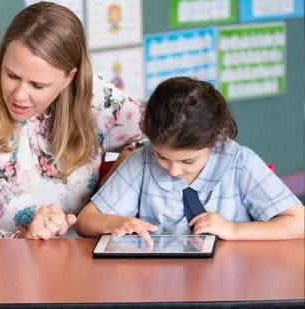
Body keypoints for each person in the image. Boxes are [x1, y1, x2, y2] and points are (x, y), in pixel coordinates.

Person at [0, 2, 142, 239]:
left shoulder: (97, 102)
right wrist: (22, 239)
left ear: (70, 77)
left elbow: (168, 133)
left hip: (86, 268)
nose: (19, 95)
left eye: (37, 85)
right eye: (12, 75)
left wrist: (127, 162)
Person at [76, 77, 304, 244]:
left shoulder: (239, 162)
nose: (174, 170)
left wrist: (233, 230)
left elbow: (298, 221)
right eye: (162, 156)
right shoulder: (142, 160)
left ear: (216, 139)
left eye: (188, 161)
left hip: (230, 284)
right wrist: (115, 223)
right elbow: (85, 221)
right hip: (161, 284)